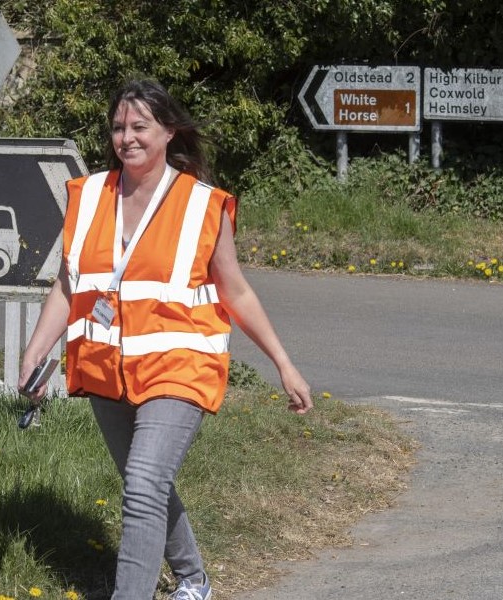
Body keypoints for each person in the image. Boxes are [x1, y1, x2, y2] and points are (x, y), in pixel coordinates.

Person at [20, 78, 312, 600]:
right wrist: (35, 350)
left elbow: (237, 291)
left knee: (143, 481)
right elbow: (68, 283)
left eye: (139, 127)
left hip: (180, 365)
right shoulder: (87, 198)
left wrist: (283, 363)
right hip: (106, 364)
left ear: (168, 131)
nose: (126, 138)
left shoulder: (203, 204)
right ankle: (194, 579)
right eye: (117, 128)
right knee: (144, 484)